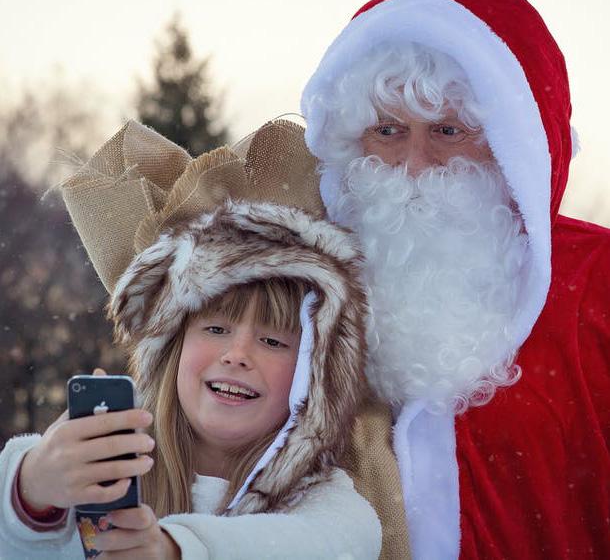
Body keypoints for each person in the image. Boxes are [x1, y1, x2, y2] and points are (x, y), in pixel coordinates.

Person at [301, 0, 610, 559]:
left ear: (510, 144)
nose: (416, 164)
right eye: (388, 131)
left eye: (447, 130)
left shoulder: (596, 287)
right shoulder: (300, 292)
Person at [0, 119, 382, 559]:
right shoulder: (102, 476)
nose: (237, 355)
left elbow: (312, 547)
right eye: (216, 329)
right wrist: (31, 487)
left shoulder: (334, 511)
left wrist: (172, 549)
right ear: (172, 348)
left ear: (313, 377)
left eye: (273, 341)